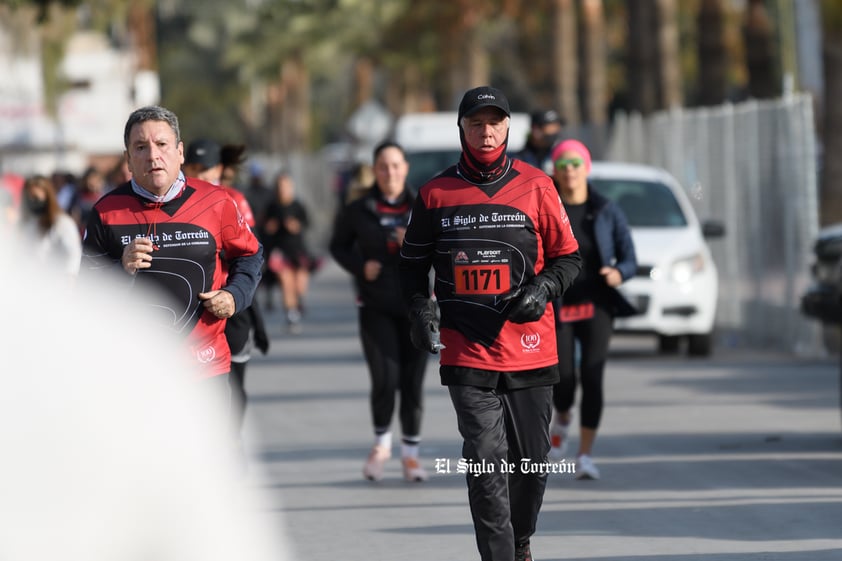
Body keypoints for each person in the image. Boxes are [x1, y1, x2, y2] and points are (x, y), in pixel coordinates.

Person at [399, 86, 582, 561]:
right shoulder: (435, 193)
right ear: (461, 128)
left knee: (533, 467)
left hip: (531, 348)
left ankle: (520, 540)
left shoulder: (538, 185)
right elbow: (412, 268)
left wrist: (542, 290)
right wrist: (420, 308)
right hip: (467, 348)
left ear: (508, 128)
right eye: (476, 123)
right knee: (485, 464)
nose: (486, 132)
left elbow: (568, 258)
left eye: (494, 122)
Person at [80, 105, 263, 397]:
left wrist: (235, 295)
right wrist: (121, 269)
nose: (153, 155)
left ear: (180, 152)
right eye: (140, 147)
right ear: (128, 159)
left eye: (161, 144)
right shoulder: (105, 212)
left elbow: (250, 254)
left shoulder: (216, 201)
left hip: (205, 367)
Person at [330, 141, 430, 483]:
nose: (390, 172)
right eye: (384, 166)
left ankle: (412, 457)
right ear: (375, 170)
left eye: (396, 165)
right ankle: (382, 445)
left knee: (412, 384)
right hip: (375, 305)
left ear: (406, 168)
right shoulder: (359, 209)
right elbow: (337, 245)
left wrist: (414, 244)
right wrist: (360, 267)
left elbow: (446, 248)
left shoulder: (424, 207)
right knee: (385, 380)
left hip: (417, 307)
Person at [547, 139, 638, 480]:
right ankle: (563, 416)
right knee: (563, 379)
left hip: (597, 304)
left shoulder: (605, 210)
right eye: (563, 164)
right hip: (559, 304)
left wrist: (618, 273)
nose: (569, 170)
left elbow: (630, 258)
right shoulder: (547, 206)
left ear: (586, 167)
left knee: (593, 378)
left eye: (575, 163)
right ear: (554, 169)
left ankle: (584, 454)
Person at [262, 171, 315, 333]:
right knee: (286, 282)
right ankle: (291, 315)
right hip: (279, 251)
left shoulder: (298, 205)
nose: (282, 189)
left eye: (285, 186)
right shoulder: (272, 206)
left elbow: (307, 223)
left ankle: (299, 301)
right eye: (279, 186)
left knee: (300, 284)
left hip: (297, 250)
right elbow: (263, 227)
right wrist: (269, 228)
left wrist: (296, 226)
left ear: (291, 187)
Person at [17, 174, 82, 280]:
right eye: (28, 197)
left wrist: (68, 281)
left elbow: (73, 256)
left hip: (54, 282)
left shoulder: (62, 223)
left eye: (36, 197)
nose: (32, 201)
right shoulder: (28, 223)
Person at [514, 109, 565, 175]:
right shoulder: (519, 159)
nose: (554, 132)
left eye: (556, 127)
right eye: (549, 128)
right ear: (535, 129)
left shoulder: (562, 154)